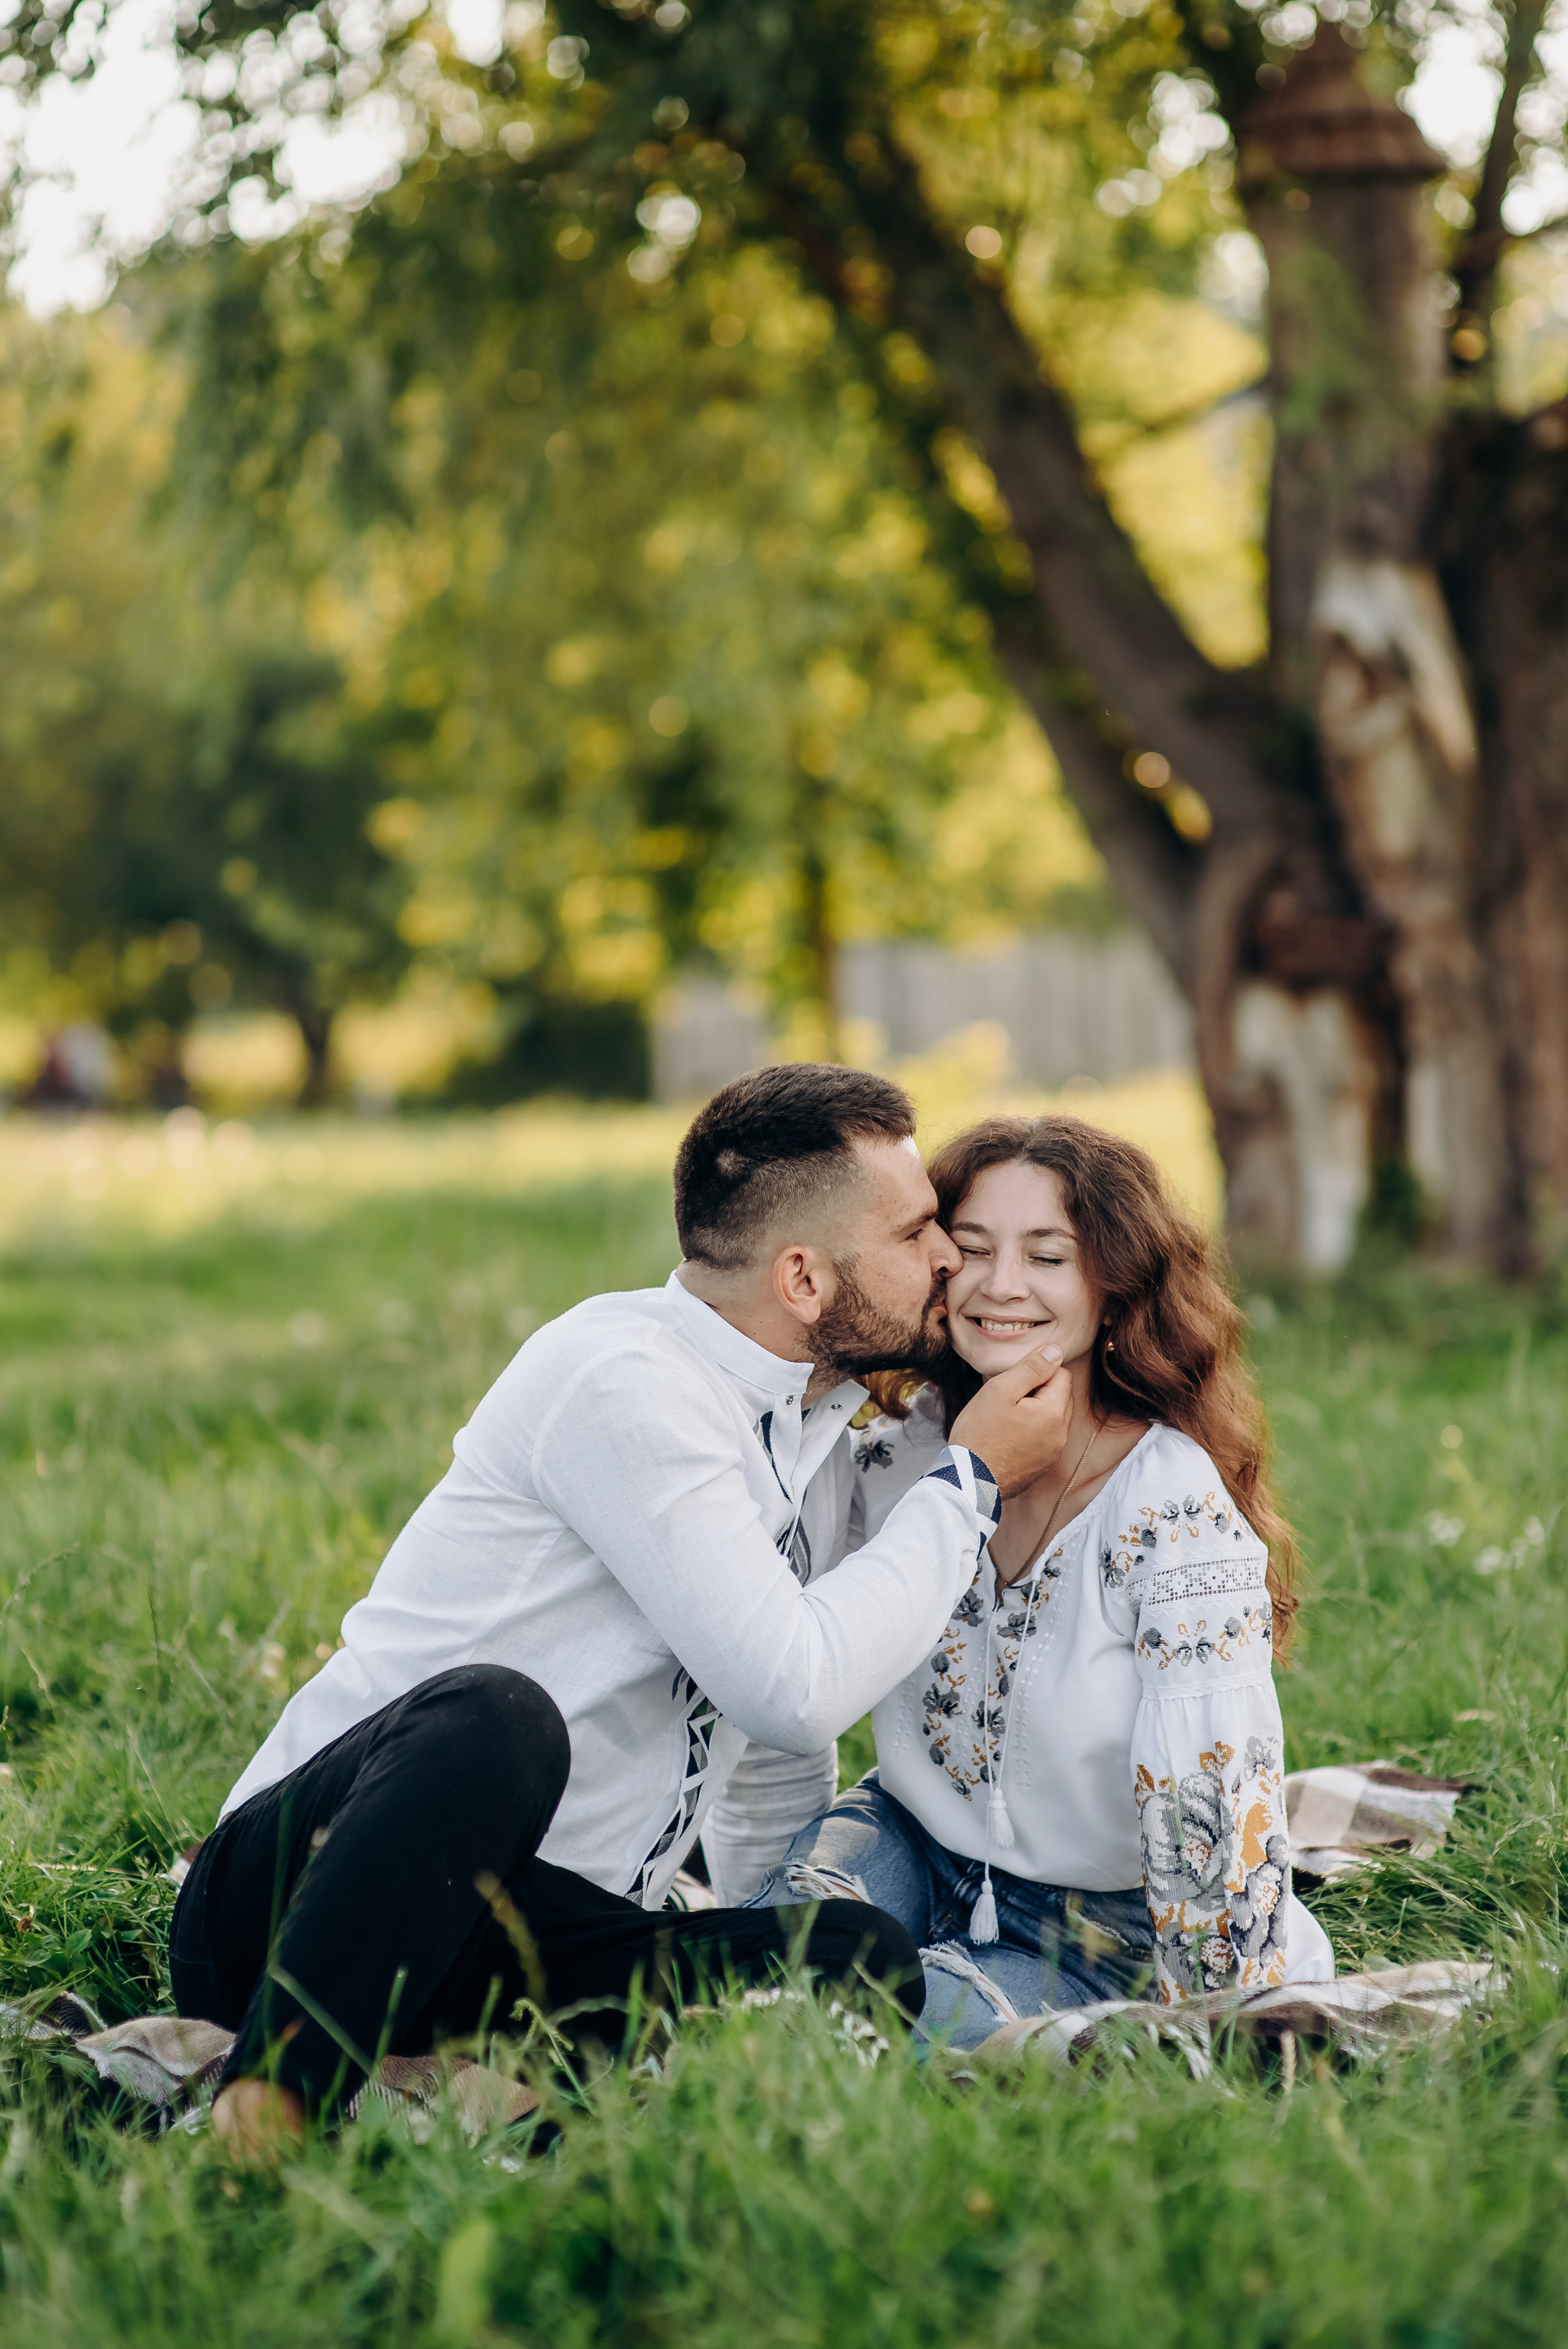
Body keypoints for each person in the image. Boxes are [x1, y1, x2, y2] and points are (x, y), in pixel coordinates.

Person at [173, 1065, 1075, 2154]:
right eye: (919, 1230)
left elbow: (774, 1752)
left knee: (848, 1955)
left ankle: (473, 2094)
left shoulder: (811, 1418)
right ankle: (266, 2107)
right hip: (306, 1898)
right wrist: (969, 1482)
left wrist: (765, 1914)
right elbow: (792, 1687)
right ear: (803, 1277)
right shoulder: (621, 1379)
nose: (948, 1259)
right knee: (494, 1718)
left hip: (522, 1931)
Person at [762, 1114, 1334, 2049]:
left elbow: (1212, 1802)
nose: (1002, 1285)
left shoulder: (1170, 1510)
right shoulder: (905, 1454)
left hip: (1094, 1923)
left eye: (1048, 1256)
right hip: (908, 1837)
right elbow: (778, 1641)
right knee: (752, 1968)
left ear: (1113, 1290)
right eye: (972, 1249)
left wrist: (1225, 2021)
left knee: (869, 2038)